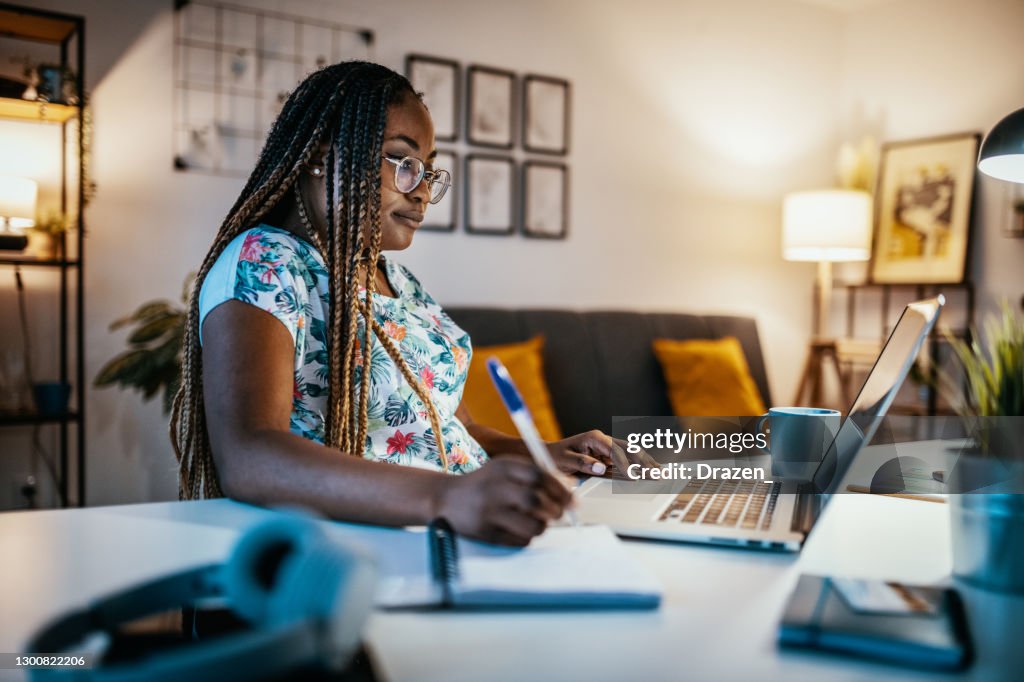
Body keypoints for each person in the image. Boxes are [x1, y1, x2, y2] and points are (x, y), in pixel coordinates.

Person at [170, 61, 632, 546]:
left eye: (429, 170)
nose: (424, 192)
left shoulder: (397, 280)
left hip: (455, 530)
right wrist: (445, 499)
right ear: (320, 157)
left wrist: (544, 453)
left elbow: (453, 424)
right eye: (404, 163)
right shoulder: (266, 262)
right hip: (370, 544)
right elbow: (250, 456)